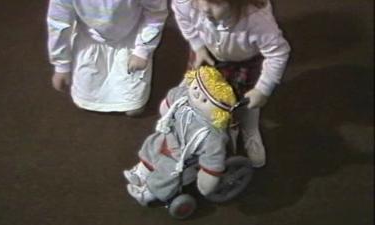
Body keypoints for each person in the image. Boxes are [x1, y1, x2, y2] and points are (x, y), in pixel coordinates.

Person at [171, 0, 291, 167]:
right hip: (208, 54)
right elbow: (182, 17)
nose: (205, 9)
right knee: (197, 88)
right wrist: (198, 46)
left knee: (246, 100)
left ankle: (250, 128)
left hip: (244, 62)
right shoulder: (187, 3)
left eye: (217, 3)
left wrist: (263, 89)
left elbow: (278, 53)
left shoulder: (257, 19)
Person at [123, 66, 238, 206]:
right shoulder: (184, 98)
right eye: (196, 89)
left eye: (205, 100)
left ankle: (152, 191)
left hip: (183, 154)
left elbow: (213, 157)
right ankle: (142, 172)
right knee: (151, 145)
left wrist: (208, 178)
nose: (196, 95)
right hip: (169, 135)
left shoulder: (212, 135)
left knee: (168, 170)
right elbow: (170, 100)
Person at [47, 0, 168, 116]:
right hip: (90, 40)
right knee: (85, 100)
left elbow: (156, 13)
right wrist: (62, 65)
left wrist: (142, 50)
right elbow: (58, 22)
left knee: (134, 108)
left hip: (130, 39)